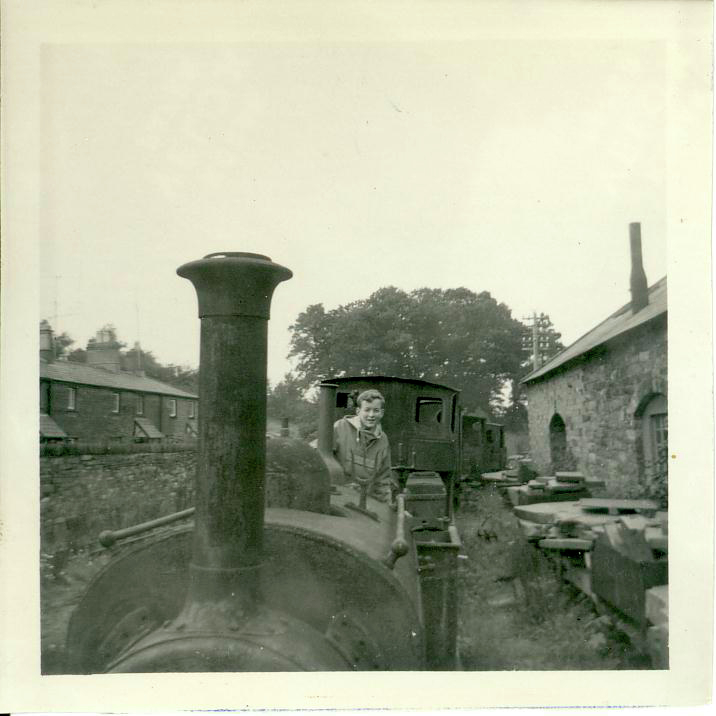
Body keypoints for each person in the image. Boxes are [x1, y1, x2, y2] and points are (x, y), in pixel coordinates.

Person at [333, 389, 395, 503]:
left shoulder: (383, 440)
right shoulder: (340, 427)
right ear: (358, 411)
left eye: (376, 411)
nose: (371, 415)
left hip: (365, 502)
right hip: (336, 497)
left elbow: (383, 479)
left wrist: (387, 505)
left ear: (382, 413)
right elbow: (321, 458)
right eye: (367, 410)